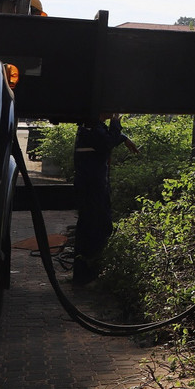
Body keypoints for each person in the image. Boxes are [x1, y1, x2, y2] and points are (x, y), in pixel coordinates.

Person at [72, 113, 139, 284]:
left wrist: (123, 137)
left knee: (97, 225)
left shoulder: (93, 127)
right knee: (95, 226)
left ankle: (89, 271)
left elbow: (106, 140)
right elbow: (106, 143)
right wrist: (116, 123)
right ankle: (85, 273)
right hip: (92, 187)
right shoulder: (91, 127)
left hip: (95, 186)